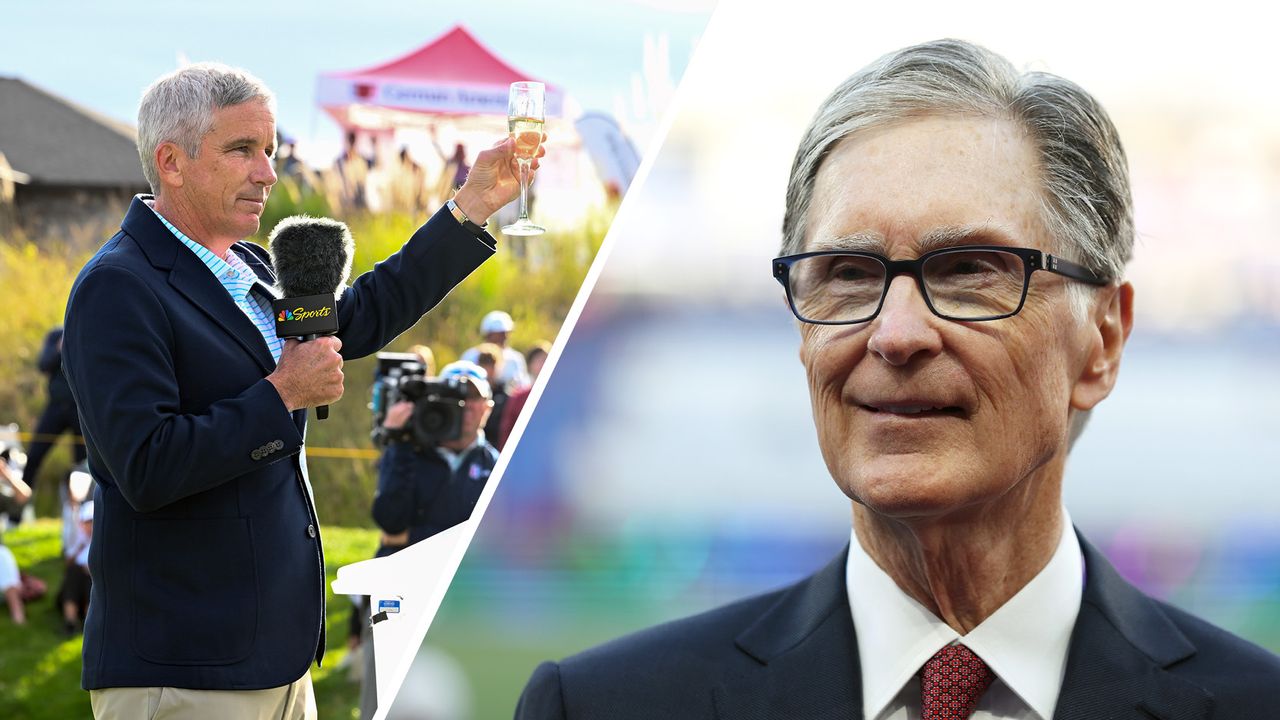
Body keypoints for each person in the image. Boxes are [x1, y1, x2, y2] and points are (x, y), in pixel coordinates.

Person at [515, 39, 1280, 719]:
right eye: (848, 274)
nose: (897, 333)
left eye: (970, 271)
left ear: (1103, 340)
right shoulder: (601, 706)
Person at [61, 62, 540, 719]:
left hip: (277, 664)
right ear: (171, 162)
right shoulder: (118, 286)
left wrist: (471, 206)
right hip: (187, 674)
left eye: (271, 151)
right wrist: (281, 393)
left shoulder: (251, 265)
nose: (267, 173)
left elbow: (363, 314)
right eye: (242, 150)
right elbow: (145, 465)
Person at [371, 360, 500, 548]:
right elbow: (390, 523)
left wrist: (412, 537)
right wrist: (397, 440)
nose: (465, 404)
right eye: (453, 395)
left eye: (473, 396)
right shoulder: (408, 451)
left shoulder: (496, 466)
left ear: (488, 407)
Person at [21, 326, 87, 498]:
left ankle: (83, 509)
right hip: (55, 407)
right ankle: (16, 507)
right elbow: (44, 364)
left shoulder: (85, 330)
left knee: (82, 462)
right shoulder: (56, 335)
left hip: (79, 409)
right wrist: (61, 348)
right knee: (34, 455)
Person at [497, 341, 551, 448]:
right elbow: (507, 432)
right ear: (530, 365)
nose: (543, 364)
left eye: (545, 359)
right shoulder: (519, 398)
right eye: (539, 360)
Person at [462, 310, 530, 390]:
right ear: (487, 334)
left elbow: (523, 387)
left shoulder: (516, 358)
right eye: (498, 334)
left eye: (505, 333)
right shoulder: (470, 355)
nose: (503, 337)